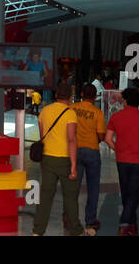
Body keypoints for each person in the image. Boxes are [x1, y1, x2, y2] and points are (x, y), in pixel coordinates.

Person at [32, 79, 81, 236]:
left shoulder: (44, 111)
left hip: (47, 159)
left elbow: (42, 136)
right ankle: (74, 230)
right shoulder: (70, 113)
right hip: (64, 159)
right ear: (70, 96)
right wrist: (73, 165)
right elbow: (71, 139)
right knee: (70, 197)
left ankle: (37, 231)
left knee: (45, 197)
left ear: (56, 94)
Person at [104, 87, 139, 235]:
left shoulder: (116, 117)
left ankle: (132, 225)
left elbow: (108, 139)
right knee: (135, 194)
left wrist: (118, 149)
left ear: (125, 101)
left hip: (122, 160)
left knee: (126, 193)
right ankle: (125, 223)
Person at [71, 83, 106, 235]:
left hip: (75, 150)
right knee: (93, 188)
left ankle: (71, 218)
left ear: (82, 94)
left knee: (73, 187)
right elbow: (101, 136)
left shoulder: (72, 108)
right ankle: (90, 220)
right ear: (95, 96)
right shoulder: (97, 112)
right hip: (92, 151)